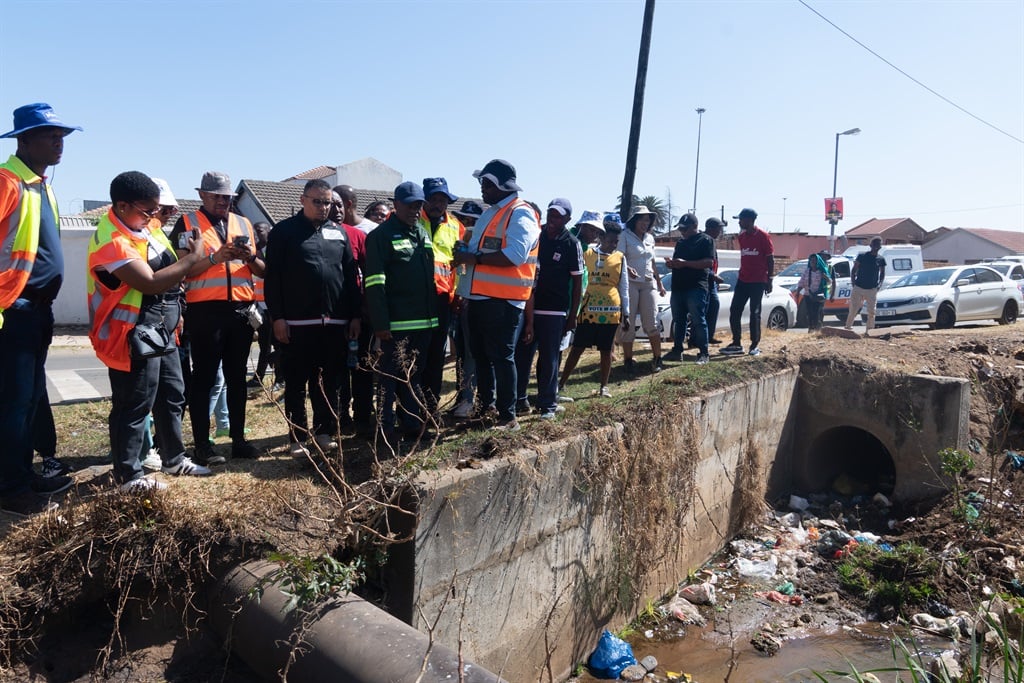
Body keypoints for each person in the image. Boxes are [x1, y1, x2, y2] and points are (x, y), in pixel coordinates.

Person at [87, 171, 213, 490]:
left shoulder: (148, 227)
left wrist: (202, 261)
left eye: (156, 209)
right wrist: (193, 258)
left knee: (172, 393)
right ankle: (128, 475)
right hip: (129, 330)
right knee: (134, 402)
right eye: (147, 210)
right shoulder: (112, 240)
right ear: (121, 205)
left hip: (161, 326)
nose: (154, 216)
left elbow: (175, 273)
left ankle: (173, 458)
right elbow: (150, 280)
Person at [0, 103, 81, 515]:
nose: (59, 142)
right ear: (23, 139)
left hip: (37, 312)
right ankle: (10, 488)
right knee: (13, 402)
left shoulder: (41, 185)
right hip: (13, 310)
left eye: (62, 136)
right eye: (50, 135)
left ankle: (20, 473)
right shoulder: (7, 181)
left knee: (29, 400)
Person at [168, 171, 264, 464]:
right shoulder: (187, 224)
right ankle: (202, 446)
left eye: (228, 197)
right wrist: (214, 258)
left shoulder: (244, 222)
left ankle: (239, 440)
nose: (223, 201)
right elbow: (182, 270)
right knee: (205, 380)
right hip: (205, 313)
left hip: (240, 312)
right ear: (202, 195)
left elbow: (262, 270)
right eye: (217, 196)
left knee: (237, 378)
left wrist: (248, 257)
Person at [265, 179, 361, 457]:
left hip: (334, 324)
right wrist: (278, 318)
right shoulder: (284, 232)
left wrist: (354, 315)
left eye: (327, 202)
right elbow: (273, 279)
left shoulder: (338, 232)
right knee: (296, 382)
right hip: (296, 324)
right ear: (302, 200)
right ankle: (297, 437)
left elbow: (351, 278)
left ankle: (323, 432)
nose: (323, 207)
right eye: (317, 201)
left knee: (327, 382)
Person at [453, 160, 541, 431]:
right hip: (480, 298)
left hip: (503, 301)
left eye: (487, 184)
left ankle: (507, 416)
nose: (483, 189)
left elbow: (514, 255)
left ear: (503, 186)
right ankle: (485, 409)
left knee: (502, 358)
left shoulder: (520, 213)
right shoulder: (493, 212)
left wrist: (472, 257)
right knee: (481, 357)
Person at [364, 182, 438, 443]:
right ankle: (384, 430)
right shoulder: (381, 236)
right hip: (396, 324)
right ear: (395, 204)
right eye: (410, 204)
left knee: (414, 376)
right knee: (388, 378)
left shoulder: (422, 232)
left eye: (419, 205)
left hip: (425, 322)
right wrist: (380, 323)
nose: (415, 210)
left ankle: (412, 425)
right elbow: (374, 284)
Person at [514, 198, 584, 419]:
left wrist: (573, 315)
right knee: (522, 355)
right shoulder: (537, 235)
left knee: (549, 358)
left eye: (557, 216)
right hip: (529, 305)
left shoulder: (572, 243)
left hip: (555, 311)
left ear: (567, 219)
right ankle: (519, 400)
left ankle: (547, 404)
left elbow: (578, 284)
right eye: (550, 214)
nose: (552, 220)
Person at [558, 219, 628, 398]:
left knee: (606, 350)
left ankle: (604, 387)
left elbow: (624, 287)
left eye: (616, 242)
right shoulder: (587, 253)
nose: (613, 245)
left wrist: (625, 313)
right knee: (577, 348)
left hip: (611, 311)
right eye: (610, 240)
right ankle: (561, 383)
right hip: (587, 311)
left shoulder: (620, 258)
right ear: (601, 237)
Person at [419, 178, 464, 413]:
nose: (438, 204)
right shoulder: (412, 218)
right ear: (424, 198)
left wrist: (457, 294)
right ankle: (409, 409)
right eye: (434, 199)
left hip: (442, 300)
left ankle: (430, 408)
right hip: (414, 300)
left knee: (436, 355)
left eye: (443, 200)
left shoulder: (456, 226)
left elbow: (460, 265)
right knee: (415, 356)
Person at [330, 188, 373, 432]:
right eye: (330, 204)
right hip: (329, 317)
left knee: (362, 368)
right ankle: (338, 416)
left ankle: (363, 416)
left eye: (339, 205)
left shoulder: (357, 236)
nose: (335, 210)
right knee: (334, 370)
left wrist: (362, 311)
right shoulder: (314, 234)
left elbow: (369, 275)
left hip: (358, 316)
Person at [617, 206, 666, 373]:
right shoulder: (625, 236)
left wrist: (659, 283)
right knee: (628, 321)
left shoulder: (650, 239)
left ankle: (657, 358)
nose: (645, 223)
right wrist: (627, 269)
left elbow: (652, 262)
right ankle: (628, 360)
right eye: (642, 219)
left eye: (648, 220)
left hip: (648, 282)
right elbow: (619, 257)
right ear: (634, 220)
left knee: (651, 320)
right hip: (630, 282)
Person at [721, 208, 774, 357]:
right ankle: (736, 343)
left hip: (758, 281)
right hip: (743, 279)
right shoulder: (742, 237)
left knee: (754, 312)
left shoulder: (763, 236)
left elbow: (770, 259)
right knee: (735, 310)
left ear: (749, 220)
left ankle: (754, 345)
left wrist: (769, 279)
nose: (739, 222)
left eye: (741, 219)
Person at [663, 214, 714, 365]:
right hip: (678, 287)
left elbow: (708, 262)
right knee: (679, 321)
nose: (681, 232)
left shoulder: (705, 240)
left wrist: (685, 263)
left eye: (684, 229)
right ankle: (677, 350)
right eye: (680, 229)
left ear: (694, 226)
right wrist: (672, 264)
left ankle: (704, 353)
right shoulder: (680, 243)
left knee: (698, 320)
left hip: (696, 287)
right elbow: (678, 261)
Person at [450, 200, 484, 419]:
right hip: (459, 300)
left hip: (476, 301)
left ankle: (471, 400)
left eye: (472, 220)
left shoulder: (482, 242)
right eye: (463, 219)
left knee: (473, 353)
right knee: (461, 354)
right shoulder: (459, 239)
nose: (467, 223)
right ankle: (463, 396)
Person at [846, 237, 887, 334]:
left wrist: (879, 284)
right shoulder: (862, 256)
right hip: (859, 286)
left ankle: (869, 330)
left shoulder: (881, 259)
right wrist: (853, 282)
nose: (876, 246)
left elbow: (882, 273)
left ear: (880, 247)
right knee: (853, 308)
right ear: (870, 246)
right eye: (874, 244)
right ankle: (848, 327)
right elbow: (854, 270)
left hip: (872, 288)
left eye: (878, 244)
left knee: (872, 311)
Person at [703, 217, 727, 344]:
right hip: (704, 281)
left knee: (714, 306)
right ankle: (697, 339)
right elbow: (704, 263)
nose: (720, 231)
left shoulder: (711, 241)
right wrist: (713, 275)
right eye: (719, 228)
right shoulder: (704, 240)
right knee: (702, 311)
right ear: (711, 228)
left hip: (711, 282)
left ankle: (708, 336)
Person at [798, 253, 837, 331]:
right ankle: (811, 328)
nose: (813, 262)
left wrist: (825, 277)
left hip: (818, 296)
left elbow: (830, 281)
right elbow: (801, 282)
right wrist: (798, 291)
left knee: (816, 312)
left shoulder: (823, 271)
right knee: (809, 312)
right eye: (811, 260)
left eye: (815, 260)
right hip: (808, 295)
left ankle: (816, 328)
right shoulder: (807, 271)